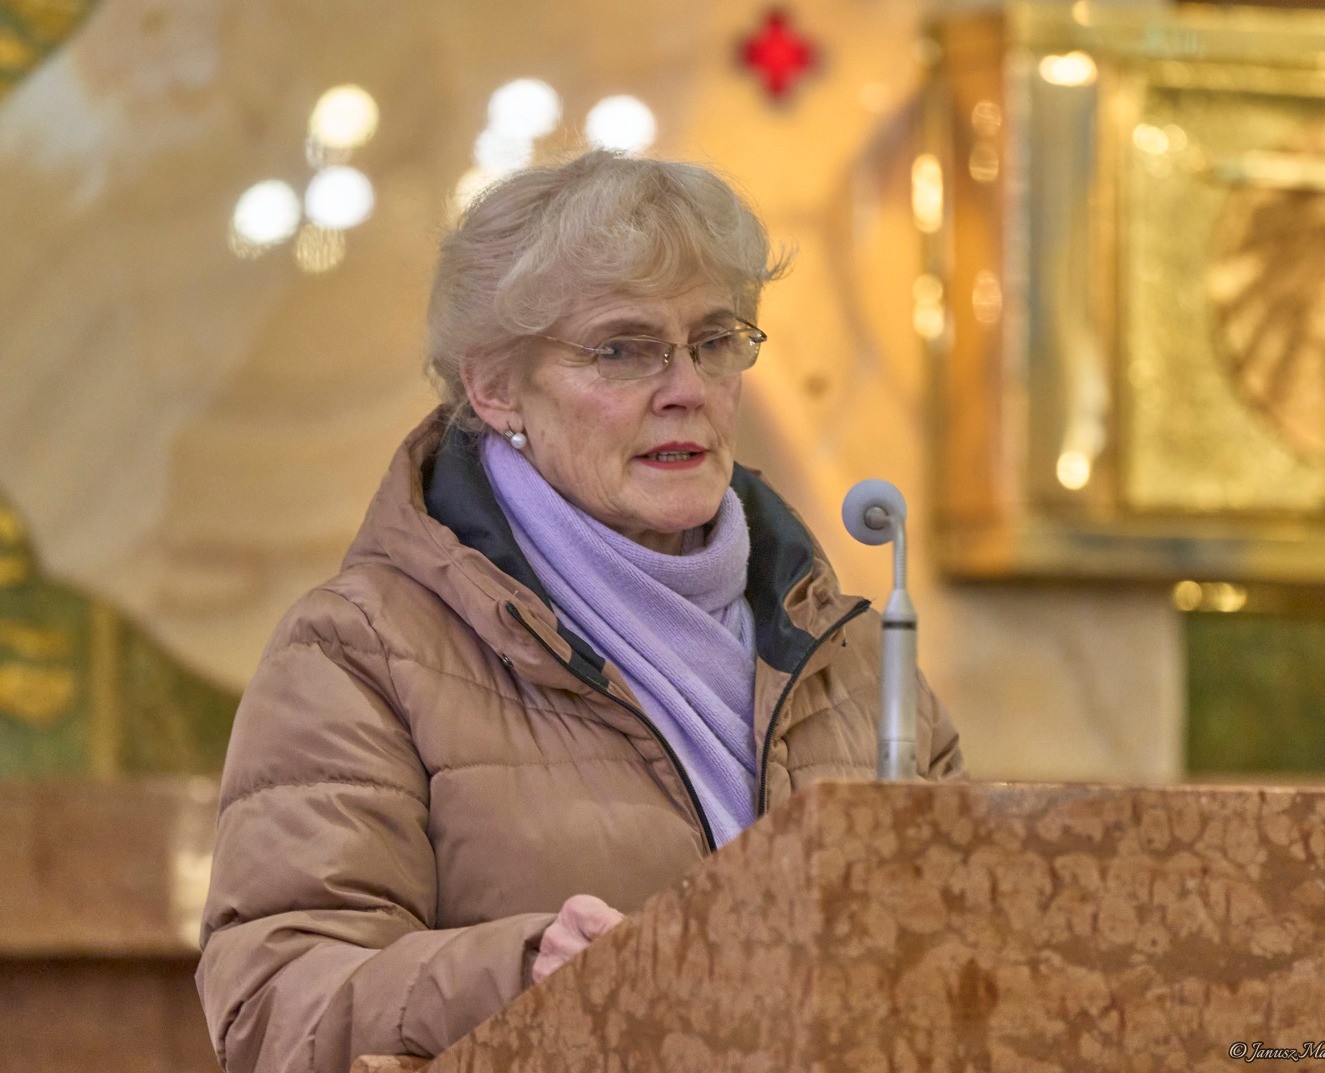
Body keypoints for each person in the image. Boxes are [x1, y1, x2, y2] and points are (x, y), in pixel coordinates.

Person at [195, 149, 964, 1073]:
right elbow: (276, 1008)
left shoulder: (853, 655)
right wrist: (522, 974)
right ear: (495, 387)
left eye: (714, 341)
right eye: (622, 349)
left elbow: (983, 960)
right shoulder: (360, 652)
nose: (685, 389)